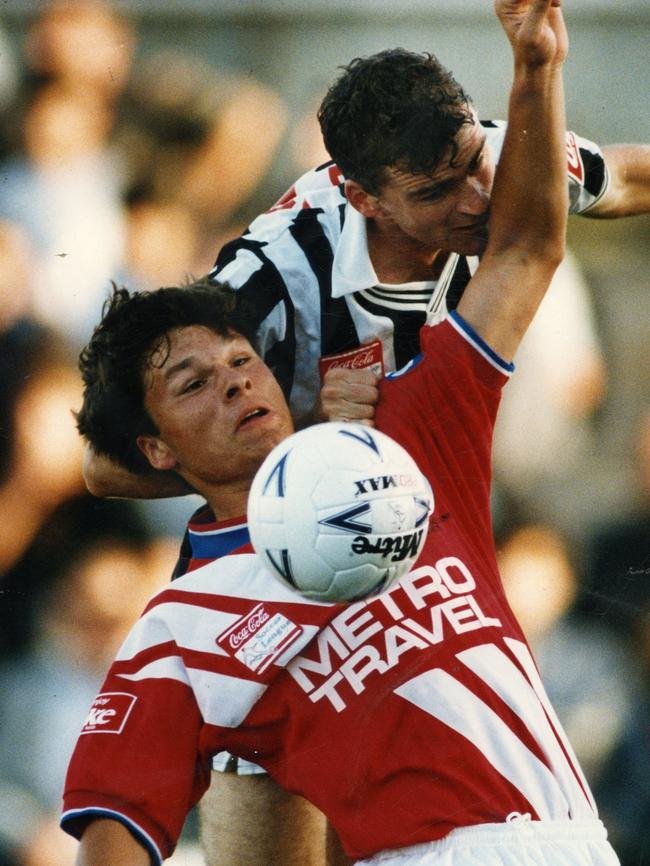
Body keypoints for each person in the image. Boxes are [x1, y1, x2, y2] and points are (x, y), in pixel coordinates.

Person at [61, 2, 621, 863]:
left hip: (569, 837)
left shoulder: (414, 426)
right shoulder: (263, 289)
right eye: (194, 385)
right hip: (407, 830)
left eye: (241, 360)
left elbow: (534, 240)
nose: (478, 201)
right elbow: (104, 465)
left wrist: (540, 66)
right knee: (254, 771)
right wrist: (305, 446)